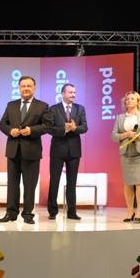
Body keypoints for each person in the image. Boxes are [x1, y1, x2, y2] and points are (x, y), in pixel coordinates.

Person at [0, 76, 53, 224]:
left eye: (29, 86)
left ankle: (28, 214)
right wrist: (10, 131)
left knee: (30, 185)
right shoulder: (11, 105)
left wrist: (32, 130)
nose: (26, 88)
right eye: (23, 86)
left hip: (32, 152)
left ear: (34, 88)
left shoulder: (42, 106)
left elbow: (48, 126)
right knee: (12, 184)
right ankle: (11, 213)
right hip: (13, 151)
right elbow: (2, 124)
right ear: (19, 88)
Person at [110, 91, 140, 223]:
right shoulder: (120, 117)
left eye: (132, 99)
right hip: (126, 153)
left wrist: (138, 136)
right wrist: (126, 135)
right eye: (127, 99)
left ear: (137, 101)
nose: (129, 101)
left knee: (139, 180)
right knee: (128, 182)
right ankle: (130, 211)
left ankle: (139, 211)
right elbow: (114, 136)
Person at [47, 83, 88, 220]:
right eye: (70, 92)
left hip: (74, 151)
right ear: (63, 93)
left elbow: (85, 127)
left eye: (74, 92)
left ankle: (72, 212)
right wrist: (63, 129)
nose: (73, 95)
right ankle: (52, 211)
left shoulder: (80, 108)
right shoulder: (53, 109)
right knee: (54, 181)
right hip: (57, 150)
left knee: (72, 182)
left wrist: (75, 128)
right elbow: (49, 128)